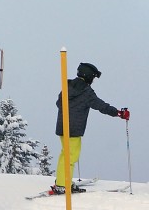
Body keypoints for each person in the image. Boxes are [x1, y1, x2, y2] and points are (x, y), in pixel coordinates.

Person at [54, 62, 130, 193]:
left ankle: (62, 181)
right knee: (71, 156)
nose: (93, 81)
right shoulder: (86, 92)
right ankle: (62, 185)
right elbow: (101, 106)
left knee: (65, 154)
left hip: (62, 126)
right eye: (93, 78)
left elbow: (58, 103)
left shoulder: (67, 86)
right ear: (88, 76)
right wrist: (118, 113)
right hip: (74, 129)